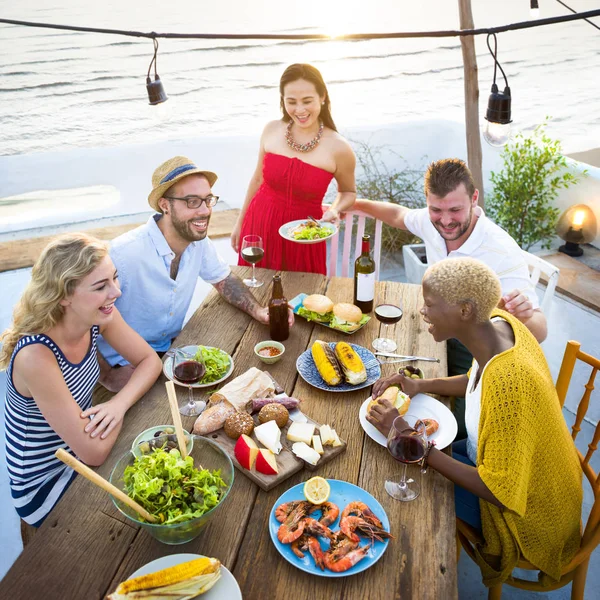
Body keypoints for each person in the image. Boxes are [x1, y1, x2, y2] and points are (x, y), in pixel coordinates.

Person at [367, 257, 581, 588]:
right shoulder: (499, 325)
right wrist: (421, 385)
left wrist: (410, 439)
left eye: (430, 304)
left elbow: (499, 490)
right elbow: (474, 378)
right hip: (509, 467)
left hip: (526, 511)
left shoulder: (511, 381)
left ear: (465, 311)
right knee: (402, 472)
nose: (423, 311)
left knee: (413, 492)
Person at [0, 233, 162, 528]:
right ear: (64, 295)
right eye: (101, 286)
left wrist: (118, 403)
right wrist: (118, 407)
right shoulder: (35, 355)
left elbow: (151, 361)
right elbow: (94, 452)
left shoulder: (99, 316)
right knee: (144, 513)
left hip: (87, 435)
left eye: (114, 279)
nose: (116, 292)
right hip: (45, 482)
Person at [96, 155, 293, 391]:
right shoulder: (124, 253)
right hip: (124, 366)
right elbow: (78, 318)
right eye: (192, 202)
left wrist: (259, 311)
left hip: (173, 354)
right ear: (165, 205)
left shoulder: (198, 242)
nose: (205, 211)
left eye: (207, 200)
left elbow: (223, 279)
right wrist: (106, 375)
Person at [352, 158, 547, 342]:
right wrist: (353, 203)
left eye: (455, 210)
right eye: (436, 210)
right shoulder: (429, 221)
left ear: (474, 199)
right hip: (436, 330)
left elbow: (541, 330)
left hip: (474, 345)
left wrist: (524, 316)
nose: (445, 221)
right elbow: (398, 215)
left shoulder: (502, 251)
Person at [231, 63, 357, 275]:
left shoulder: (339, 147)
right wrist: (240, 222)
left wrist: (334, 209)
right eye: (291, 102)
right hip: (260, 222)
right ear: (282, 101)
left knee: (302, 300)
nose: (300, 110)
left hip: (304, 235)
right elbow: (257, 180)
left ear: (322, 97)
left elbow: (348, 192)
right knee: (255, 290)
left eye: (307, 101)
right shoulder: (271, 130)